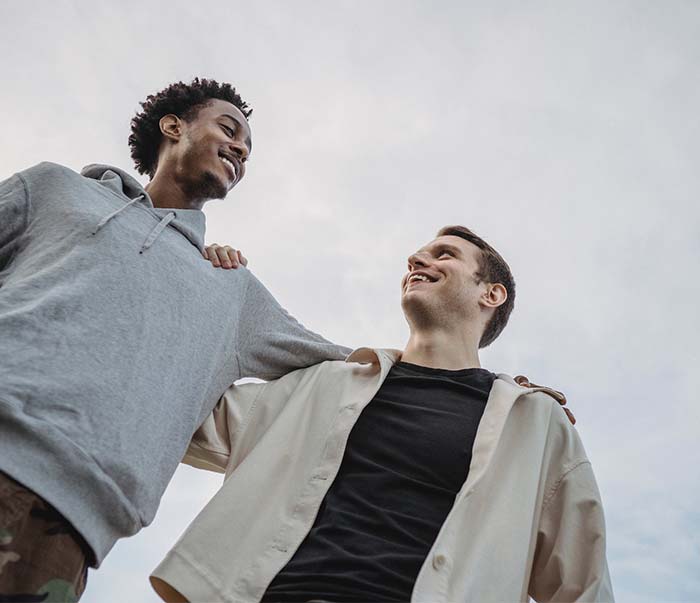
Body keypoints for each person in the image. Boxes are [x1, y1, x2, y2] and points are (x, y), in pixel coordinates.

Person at [0, 78, 348, 601]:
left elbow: (349, 365)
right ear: (173, 126)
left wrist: (495, 390)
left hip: (66, 525)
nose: (240, 150)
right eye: (229, 130)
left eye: (247, 150)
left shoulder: (232, 291)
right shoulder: (53, 188)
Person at [151, 225, 613, 603]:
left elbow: (582, 585)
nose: (416, 261)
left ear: (490, 295)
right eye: (416, 256)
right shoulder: (323, 385)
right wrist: (202, 286)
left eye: (444, 255)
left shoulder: (533, 425)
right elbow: (173, 402)